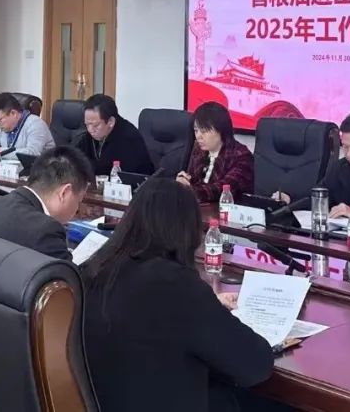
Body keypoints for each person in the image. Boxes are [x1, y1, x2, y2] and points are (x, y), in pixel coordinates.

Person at [80, 178, 274, 412]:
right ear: (186, 230)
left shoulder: (95, 268)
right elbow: (255, 364)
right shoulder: (175, 284)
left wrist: (209, 306)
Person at [0, 145, 92, 260]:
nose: (77, 208)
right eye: (79, 200)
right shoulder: (46, 231)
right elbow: (70, 279)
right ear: (64, 193)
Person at [176, 101, 253, 202]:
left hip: (227, 209)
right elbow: (193, 179)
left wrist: (187, 191)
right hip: (200, 207)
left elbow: (222, 190)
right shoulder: (199, 149)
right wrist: (183, 181)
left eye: (204, 131)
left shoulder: (242, 156)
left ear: (221, 130)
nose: (198, 136)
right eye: (196, 130)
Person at [74, 94, 154, 176]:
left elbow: (128, 175)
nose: (90, 130)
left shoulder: (129, 137)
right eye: (87, 124)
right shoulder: (88, 135)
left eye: (95, 125)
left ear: (111, 122)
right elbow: (73, 158)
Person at [0, 92, 55, 159]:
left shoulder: (35, 124)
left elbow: (32, 153)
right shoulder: (1, 127)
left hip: (41, 173)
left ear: (13, 113)